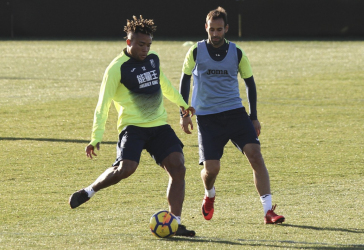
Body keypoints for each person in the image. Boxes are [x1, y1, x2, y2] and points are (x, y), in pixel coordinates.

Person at [69, 15, 196, 237]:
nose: (145, 49)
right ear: (128, 42)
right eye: (141, 44)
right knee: (126, 169)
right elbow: (103, 104)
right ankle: (89, 191)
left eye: (148, 44)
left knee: (178, 166)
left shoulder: (153, 59)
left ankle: (174, 222)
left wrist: (184, 105)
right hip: (132, 127)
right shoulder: (116, 68)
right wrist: (95, 137)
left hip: (158, 125)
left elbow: (164, 84)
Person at [179, 7, 285, 224]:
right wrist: (184, 112)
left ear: (226, 28)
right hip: (208, 118)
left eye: (220, 30)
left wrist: (253, 116)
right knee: (211, 170)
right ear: (206, 28)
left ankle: (268, 211)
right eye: (212, 30)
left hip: (235, 114)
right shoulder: (195, 51)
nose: (216, 34)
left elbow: (250, 83)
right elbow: (185, 79)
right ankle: (209, 194)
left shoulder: (237, 52)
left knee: (255, 155)